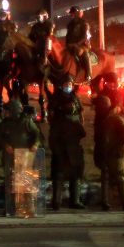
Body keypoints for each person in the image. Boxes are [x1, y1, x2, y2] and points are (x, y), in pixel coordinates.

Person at [47, 77, 86, 210]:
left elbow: (82, 132)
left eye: (70, 83)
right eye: (66, 83)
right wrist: (56, 149)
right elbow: (52, 136)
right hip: (61, 150)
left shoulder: (75, 97)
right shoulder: (56, 99)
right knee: (59, 175)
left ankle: (74, 200)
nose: (68, 86)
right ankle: (56, 201)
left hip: (73, 150)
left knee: (75, 175)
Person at [100, 95, 124, 211]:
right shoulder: (110, 118)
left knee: (120, 177)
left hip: (115, 153)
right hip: (111, 152)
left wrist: (121, 148)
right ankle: (108, 202)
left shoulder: (114, 119)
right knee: (109, 177)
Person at [65, 6, 92, 82]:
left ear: (77, 13)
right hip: (70, 45)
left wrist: (76, 44)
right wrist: (67, 44)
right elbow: (68, 36)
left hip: (82, 45)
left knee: (84, 53)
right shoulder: (70, 25)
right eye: (71, 13)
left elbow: (85, 36)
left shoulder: (84, 23)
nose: (71, 15)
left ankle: (88, 74)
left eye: (72, 13)